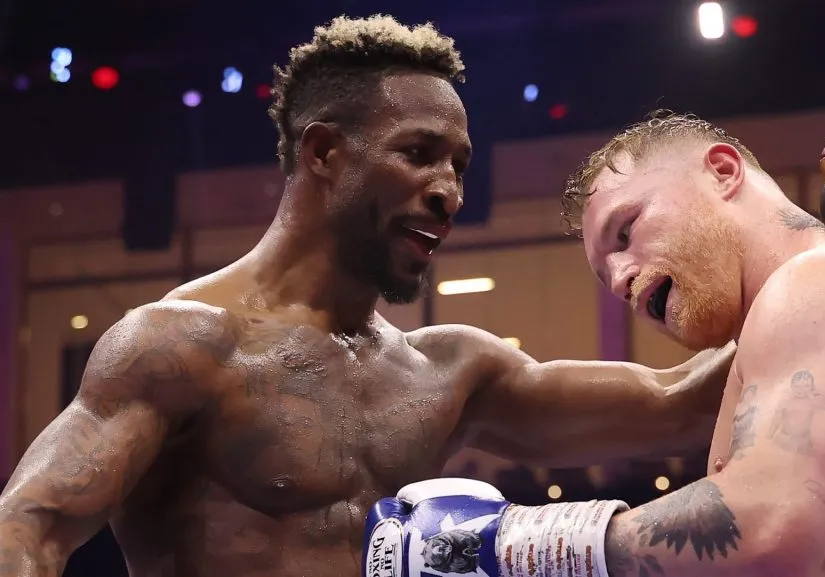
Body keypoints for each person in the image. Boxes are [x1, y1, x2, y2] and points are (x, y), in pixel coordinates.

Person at [0, 17, 737, 577]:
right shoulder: (180, 345)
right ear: (323, 152)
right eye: (418, 154)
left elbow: (680, 398)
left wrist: (821, 253)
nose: (448, 190)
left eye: (458, 164)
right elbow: (27, 528)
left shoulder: (449, 370)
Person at [363, 113, 825, 577]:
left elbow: (766, 527)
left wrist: (501, 544)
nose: (625, 280)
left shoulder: (824, 279)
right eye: (607, 278)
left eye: (626, 230)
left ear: (723, 170)